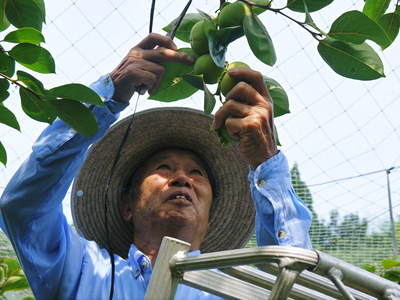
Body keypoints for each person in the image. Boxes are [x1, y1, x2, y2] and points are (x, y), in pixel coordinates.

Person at [0, 33, 312, 299]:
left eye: (196, 173)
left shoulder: (232, 291)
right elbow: (24, 208)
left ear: (211, 212)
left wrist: (266, 162)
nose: (182, 179)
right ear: (127, 205)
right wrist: (110, 94)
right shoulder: (82, 269)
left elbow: (298, 281)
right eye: (163, 168)